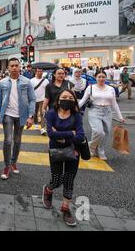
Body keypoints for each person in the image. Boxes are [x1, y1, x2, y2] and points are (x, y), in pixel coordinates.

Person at [42, 89, 86, 227]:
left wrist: (60, 134)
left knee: (68, 180)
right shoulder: (51, 113)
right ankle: (48, 190)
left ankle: (66, 208)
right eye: (64, 97)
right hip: (55, 150)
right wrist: (71, 133)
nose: (67, 99)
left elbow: (80, 135)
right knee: (56, 180)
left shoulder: (77, 115)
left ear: (74, 101)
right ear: (59, 99)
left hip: (73, 151)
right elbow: (50, 133)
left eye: (70, 98)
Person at [0, 58, 36, 180]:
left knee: (17, 140)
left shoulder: (27, 82)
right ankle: (7, 166)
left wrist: (31, 116)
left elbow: (32, 99)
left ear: (20, 67)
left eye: (16, 65)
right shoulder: (2, 83)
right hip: (7, 114)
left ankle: (13, 162)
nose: (14, 68)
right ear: (8, 68)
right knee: (8, 141)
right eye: (12, 66)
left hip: (22, 115)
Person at [79, 71, 125, 161]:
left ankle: (101, 150)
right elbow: (83, 100)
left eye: (103, 77)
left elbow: (114, 104)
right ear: (95, 78)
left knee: (106, 133)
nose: (101, 79)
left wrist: (120, 117)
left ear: (105, 77)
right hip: (94, 111)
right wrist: (74, 109)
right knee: (99, 132)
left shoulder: (111, 89)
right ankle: (92, 147)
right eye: (99, 77)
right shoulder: (90, 88)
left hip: (107, 112)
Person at [31, 68, 49, 136]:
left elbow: (48, 90)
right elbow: (30, 91)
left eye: (41, 71)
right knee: (35, 113)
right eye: (38, 71)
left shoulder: (46, 80)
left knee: (42, 114)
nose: (40, 73)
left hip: (43, 99)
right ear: (36, 72)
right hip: (34, 99)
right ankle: (35, 123)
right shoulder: (32, 80)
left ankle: (43, 128)